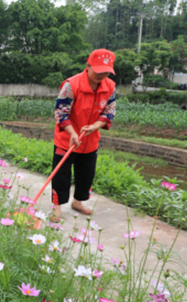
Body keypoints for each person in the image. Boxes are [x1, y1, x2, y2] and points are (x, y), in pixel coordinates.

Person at [49, 49, 117, 222]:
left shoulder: (110, 86)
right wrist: (72, 133)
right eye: (98, 71)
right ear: (88, 66)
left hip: (90, 141)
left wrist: (95, 126)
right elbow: (61, 112)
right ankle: (56, 207)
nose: (102, 75)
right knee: (61, 175)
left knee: (86, 175)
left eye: (106, 72)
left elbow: (109, 111)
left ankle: (77, 202)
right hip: (67, 140)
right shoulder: (71, 85)